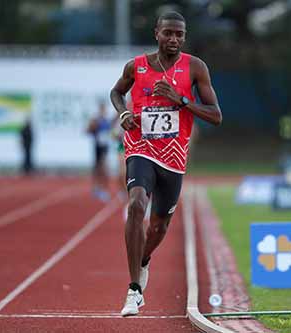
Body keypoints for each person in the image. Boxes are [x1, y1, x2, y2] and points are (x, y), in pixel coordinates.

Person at [110, 11, 222, 316]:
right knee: (135, 205)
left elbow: (216, 115)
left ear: (184, 38)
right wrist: (123, 114)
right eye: (168, 33)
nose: (173, 39)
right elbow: (117, 92)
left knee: (159, 227)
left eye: (179, 35)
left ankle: (144, 260)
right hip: (140, 147)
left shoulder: (195, 67)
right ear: (156, 33)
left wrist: (181, 100)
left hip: (173, 157)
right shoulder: (137, 66)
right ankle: (134, 290)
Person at [86, 102, 112, 201]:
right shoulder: (96, 120)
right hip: (97, 147)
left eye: (104, 109)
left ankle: (103, 189)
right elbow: (88, 131)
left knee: (104, 167)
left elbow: (111, 132)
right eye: (101, 109)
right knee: (97, 168)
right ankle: (97, 188)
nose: (103, 111)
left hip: (105, 147)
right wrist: (93, 127)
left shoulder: (107, 120)